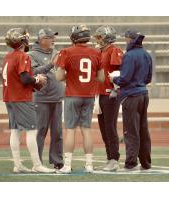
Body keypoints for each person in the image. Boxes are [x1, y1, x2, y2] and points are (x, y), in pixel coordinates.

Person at [2, 27, 55, 173]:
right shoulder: (22, 56)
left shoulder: (8, 56)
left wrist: (34, 80)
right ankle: (37, 164)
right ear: (23, 40)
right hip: (21, 98)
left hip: (9, 97)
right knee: (32, 130)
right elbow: (25, 79)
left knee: (15, 130)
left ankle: (17, 164)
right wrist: (37, 79)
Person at [55, 24, 105, 173]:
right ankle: (89, 165)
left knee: (70, 131)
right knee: (87, 130)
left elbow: (58, 76)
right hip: (89, 96)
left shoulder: (66, 52)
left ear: (74, 37)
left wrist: (69, 77)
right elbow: (101, 78)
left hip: (72, 95)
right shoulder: (96, 53)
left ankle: (67, 165)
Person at [110, 29, 152, 171]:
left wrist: (113, 78)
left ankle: (131, 164)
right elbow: (148, 78)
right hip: (143, 94)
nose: (125, 41)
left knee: (130, 131)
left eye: (126, 38)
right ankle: (146, 163)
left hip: (131, 96)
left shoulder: (129, 55)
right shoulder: (147, 54)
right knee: (143, 130)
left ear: (130, 39)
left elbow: (124, 79)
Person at [28, 28, 64, 170]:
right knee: (40, 131)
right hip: (41, 98)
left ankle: (57, 160)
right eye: (50, 38)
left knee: (57, 132)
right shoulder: (31, 54)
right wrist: (50, 64)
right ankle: (37, 162)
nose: (53, 40)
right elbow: (32, 72)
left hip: (57, 97)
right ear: (42, 39)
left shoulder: (57, 53)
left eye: (53, 37)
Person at [93, 25, 123, 171]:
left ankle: (114, 159)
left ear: (107, 37)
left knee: (110, 127)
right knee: (103, 128)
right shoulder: (100, 51)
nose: (98, 40)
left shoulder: (114, 50)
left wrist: (116, 89)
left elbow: (118, 71)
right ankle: (109, 157)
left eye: (100, 37)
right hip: (99, 94)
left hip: (110, 93)